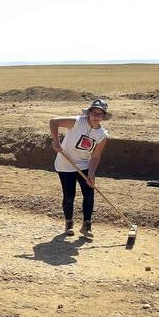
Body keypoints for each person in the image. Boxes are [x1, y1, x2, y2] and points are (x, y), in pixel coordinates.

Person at [48, 99, 111, 238]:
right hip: (65, 164)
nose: (96, 117)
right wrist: (56, 141)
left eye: (99, 114)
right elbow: (53, 121)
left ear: (103, 117)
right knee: (69, 195)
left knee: (89, 194)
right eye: (94, 113)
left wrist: (92, 174)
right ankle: (69, 223)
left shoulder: (102, 135)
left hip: (84, 165)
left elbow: (95, 157)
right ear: (89, 113)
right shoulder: (77, 122)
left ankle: (86, 225)